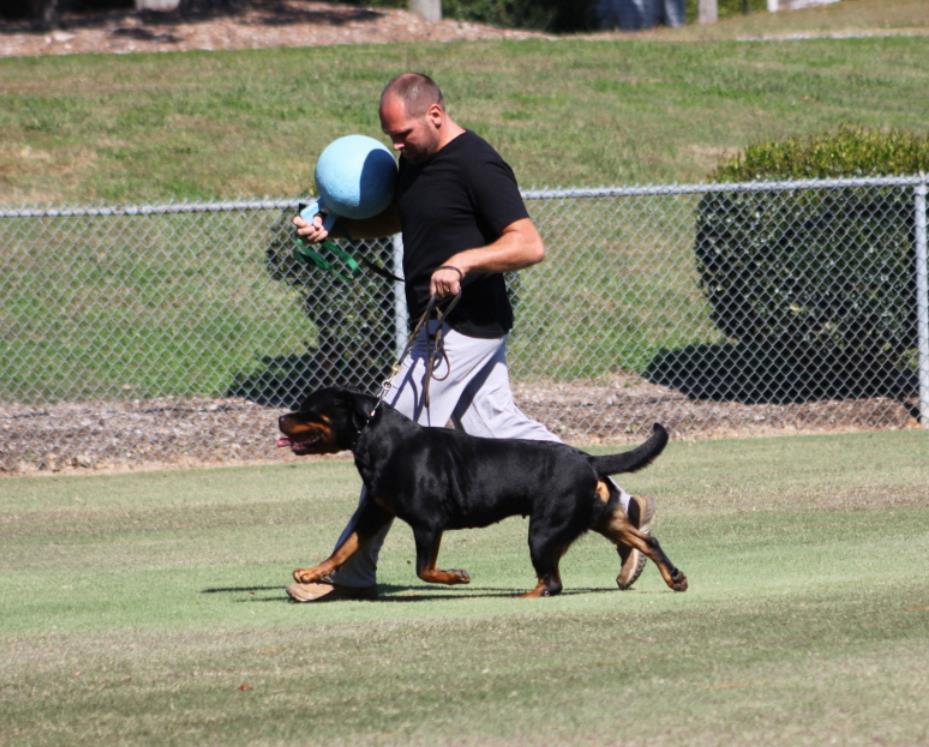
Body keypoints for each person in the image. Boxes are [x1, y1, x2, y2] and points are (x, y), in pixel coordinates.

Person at [288, 72, 654, 602]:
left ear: (435, 114)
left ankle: (349, 572)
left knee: (384, 441)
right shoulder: (415, 163)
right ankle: (616, 501)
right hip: (446, 324)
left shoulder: (479, 163)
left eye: (403, 133)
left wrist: (464, 260)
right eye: (389, 134)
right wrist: (337, 228)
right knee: (503, 429)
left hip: (463, 325)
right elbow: (398, 217)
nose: (395, 145)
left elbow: (528, 244)